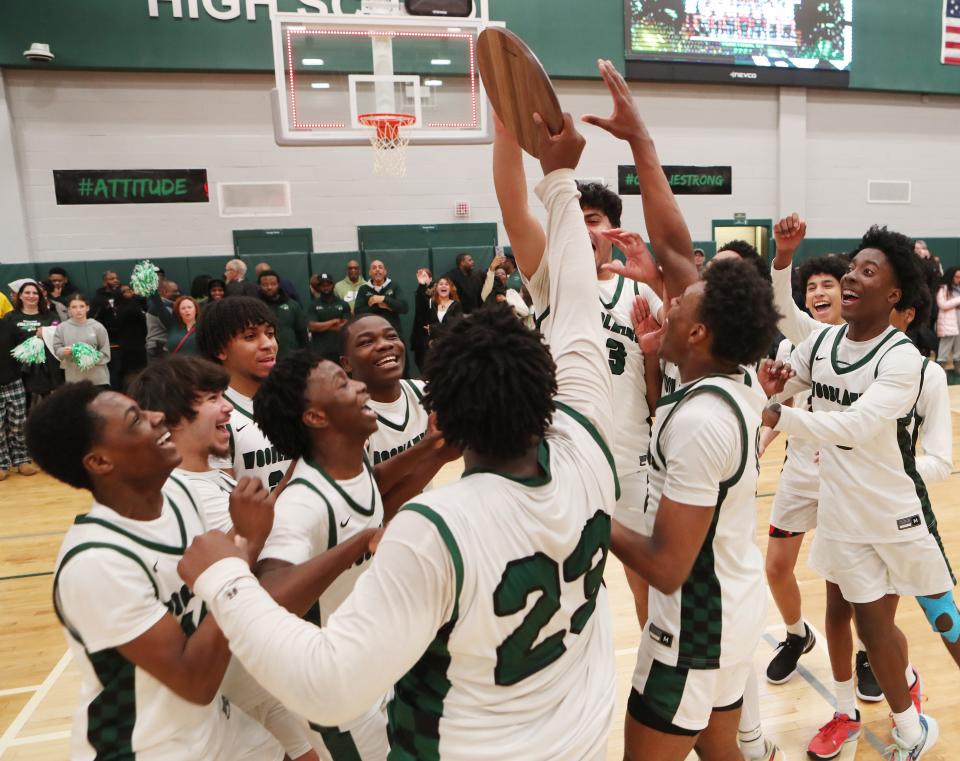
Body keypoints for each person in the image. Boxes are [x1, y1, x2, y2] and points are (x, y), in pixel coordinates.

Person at [178, 110, 619, 761]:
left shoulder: (437, 525)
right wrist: (558, 178)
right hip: (581, 728)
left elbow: (325, 686)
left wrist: (222, 577)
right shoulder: (593, 442)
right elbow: (579, 304)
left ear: (439, 404)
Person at [763, 223, 949, 760]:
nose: (845, 280)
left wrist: (779, 414)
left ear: (899, 303)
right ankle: (889, 719)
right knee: (850, 610)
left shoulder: (907, 364)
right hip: (827, 495)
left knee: (933, 618)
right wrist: (783, 255)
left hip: (890, 507)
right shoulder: (820, 341)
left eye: (865, 272)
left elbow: (862, 430)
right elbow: (786, 325)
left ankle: (900, 697)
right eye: (848, 270)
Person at [25, 382, 286, 761]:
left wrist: (246, 538)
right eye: (136, 420)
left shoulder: (177, 493)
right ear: (100, 462)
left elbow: (217, 564)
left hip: (214, 727)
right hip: (149, 747)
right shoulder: (97, 563)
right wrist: (247, 544)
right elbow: (194, 680)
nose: (157, 416)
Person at [493, 68, 666, 637]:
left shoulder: (642, 291)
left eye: (595, 222)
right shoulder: (549, 279)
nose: (584, 229)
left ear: (615, 232)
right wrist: (505, 123)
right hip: (565, 455)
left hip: (634, 457)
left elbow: (659, 386)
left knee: (650, 587)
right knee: (569, 585)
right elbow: (514, 204)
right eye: (578, 219)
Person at [127, 357, 320, 761]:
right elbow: (241, 571)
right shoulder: (183, 493)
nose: (228, 406)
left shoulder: (208, 473)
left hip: (249, 672)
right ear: (173, 418)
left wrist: (299, 469)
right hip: (228, 679)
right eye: (213, 398)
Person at [253, 350, 389, 760]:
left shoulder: (352, 464)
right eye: (343, 384)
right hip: (336, 694)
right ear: (315, 417)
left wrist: (437, 447)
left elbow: (380, 492)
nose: (360, 386)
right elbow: (269, 597)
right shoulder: (302, 505)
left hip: (376, 662)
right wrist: (359, 543)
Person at [760, 252, 848, 689]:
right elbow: (781, 407)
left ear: (845, 291)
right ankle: (797, 635)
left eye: (827, 284)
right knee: (776, 567)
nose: (818, 292)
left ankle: (867, 655)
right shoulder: (791, 345)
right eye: (811, 286)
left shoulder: (863, 342)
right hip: (799, 472)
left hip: (846, 478)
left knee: (848, 578)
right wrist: (758, 442)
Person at [196, 296, 290, 491]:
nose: (268, 344)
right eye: (250, 336)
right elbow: (225, 508)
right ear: (219, 349)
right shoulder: (212, 418)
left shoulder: (293, 399)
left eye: (270, 334)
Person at [4, 281, 63, 407]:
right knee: (23, 405)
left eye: (35, 293)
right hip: (19, 367)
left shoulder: (51, 316)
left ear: (40, 296)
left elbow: (60, 336)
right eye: (27, 292)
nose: (31, 295)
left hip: (45, 366)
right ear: (19, 296)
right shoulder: (10, 317)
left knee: (50, 405)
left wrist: (47, 332)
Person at [0, 316, 37, 480]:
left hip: (13, 382)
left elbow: (27, 345)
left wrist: (18, 368)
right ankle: (1, 464)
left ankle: (22, 460)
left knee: (18, 423)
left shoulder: (9, 326)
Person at [52, 294, 111, 387]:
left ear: (87, 308)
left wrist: (90, 357)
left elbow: (105, 351)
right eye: (74, 307)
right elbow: (57, 349)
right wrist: (64, 351)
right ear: (69, 309)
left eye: (81, 306)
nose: (78, 310)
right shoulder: (62, 327)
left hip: (97, 378)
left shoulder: (97, 326)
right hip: (74, 378)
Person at [258, 269, 307, 360]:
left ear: (279, 285)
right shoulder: (255, 306)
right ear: (259, 286)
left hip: (291, 356)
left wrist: (305, 354)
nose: (269, 287)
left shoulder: (292, 305)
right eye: (265, 284)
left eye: (273, 284)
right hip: (265, 357)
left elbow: (302, 332)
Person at [354, 260, 408, 337]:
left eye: (380, 267)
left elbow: (404, 308)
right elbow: (358, 312)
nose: (377, 269)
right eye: (374, 268)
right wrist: (379, 306)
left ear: (385, 272)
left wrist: (384, 298)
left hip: (393, 332)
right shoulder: (363, 289)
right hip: (371, 333)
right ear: (369, 272)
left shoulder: (394, 285)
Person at [89, 270, 123, 389]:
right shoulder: (99, 299)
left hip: (124, 339)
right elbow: (93, 319)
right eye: (111, 279)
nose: (115, 281)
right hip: (110, 341)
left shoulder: (122, 295)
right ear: (105, 282)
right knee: (114, 372)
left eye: (116, 278)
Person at [306, 273, 349, 363]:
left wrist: (322, 326)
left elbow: (345, 326)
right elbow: (312, 326)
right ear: (318, 287)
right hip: (321, 350)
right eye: (322, 285)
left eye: (328, 284)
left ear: (333, 285)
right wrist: (333, 321)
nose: (326, 287)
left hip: (340, 349)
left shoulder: (343, 304)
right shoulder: (313, 305)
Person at [113, 284, 149, 390]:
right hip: (129, 346)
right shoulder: (124, 308)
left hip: (141, 343)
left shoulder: (137, 303)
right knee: (132, 372)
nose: (130, 292)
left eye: (130, 289)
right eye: (125, 291)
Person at [935, 267, 960, 380]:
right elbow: (943, 305)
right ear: (951, 276)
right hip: (948, 322)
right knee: (945, 345)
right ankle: (941, 366)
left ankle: (957, 364)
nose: (959, 279)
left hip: (958, 320)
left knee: (958, 344)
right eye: (957, 277)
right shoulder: (943, 289)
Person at [409, 268, 434, 372]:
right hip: (420, 334)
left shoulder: (435, 291)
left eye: (425, 276)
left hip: (431, 333)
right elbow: (420, 309)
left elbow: (427, 303)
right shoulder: (419, 291)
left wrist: (422, 286)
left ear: (431, 279)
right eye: (421, 276)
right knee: (419, 360)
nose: (422, 279)